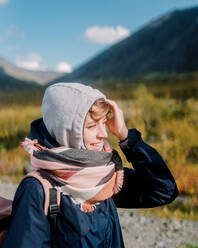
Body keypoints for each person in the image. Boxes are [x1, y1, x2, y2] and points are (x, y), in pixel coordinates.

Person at [0, 82, 178, 248]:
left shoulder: (106, 176)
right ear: (67, 130)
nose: (104, 134)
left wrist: (126, 137)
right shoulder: (37, 189)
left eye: (104, 123)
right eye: (92, 126)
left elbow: (163, 190)